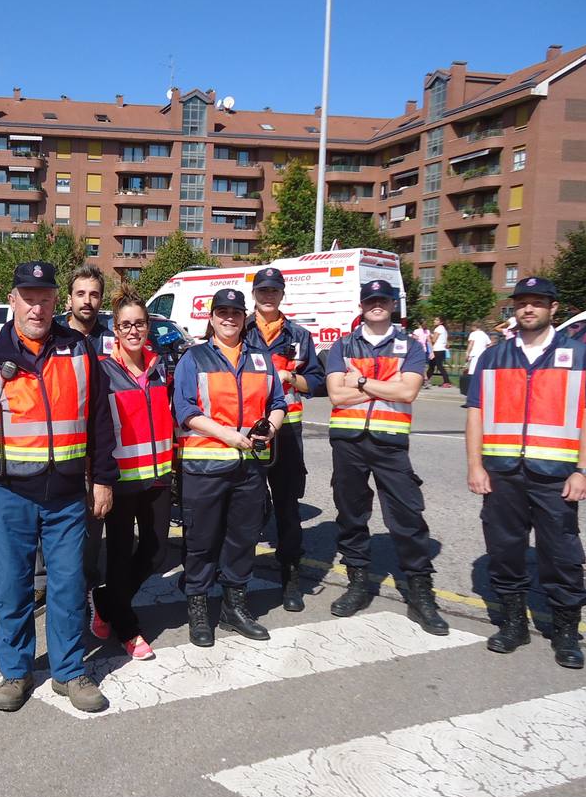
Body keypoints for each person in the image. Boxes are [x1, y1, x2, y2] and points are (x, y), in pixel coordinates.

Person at [0, 261, 117, 714]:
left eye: (44, 298)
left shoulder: (79, 349)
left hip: (66, 496)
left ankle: (69, 671)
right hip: (9, 495)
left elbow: (100, 419)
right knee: (12, 588)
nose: (36, 307)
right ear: (12, 300)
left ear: (54, 301)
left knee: (67, 585)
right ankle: (16, 671)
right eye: (28, 297)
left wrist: (102, 478)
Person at [466, 276, 586, 668]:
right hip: (502, 472)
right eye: (522, 302)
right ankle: (513, 624)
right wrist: (475, 465)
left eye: (537, 302)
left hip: (556, 474)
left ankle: (565, 632)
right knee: (505, 551)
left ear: (553, 308)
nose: (528, 309)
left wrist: (585, 470)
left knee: (561, 554)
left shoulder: (578, 355)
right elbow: (475, 413)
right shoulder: (494, 356)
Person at [325, 281, 448, 634]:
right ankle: (358, 584)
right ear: (362, 305)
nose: (377, 305)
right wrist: (382, 388)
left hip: (390, 442)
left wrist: (361, 383)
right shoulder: (344, 344)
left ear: (392, 305)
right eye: (370, 300)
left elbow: (408, 392)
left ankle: (421, 593)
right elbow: (335, 396)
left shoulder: (410, 346)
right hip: (348, 441)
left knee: (407, 516)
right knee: (351, 513)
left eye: (383, 300)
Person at [175, 288, 286, 647]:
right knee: (202, 542)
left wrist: (271, 425)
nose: (229, 318)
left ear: (244, 317)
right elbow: (186, 411)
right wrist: (229, 436)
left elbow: (278, 402)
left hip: (249, 467)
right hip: (206, 465)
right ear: (210, 318)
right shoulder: (194, 358)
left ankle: (234, 608)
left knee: (242, 540)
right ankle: (199, 610)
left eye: (235, 313)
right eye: (221, 312)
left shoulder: (260, 358)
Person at [88, 290, 173, 660]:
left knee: (155, 553)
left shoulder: (161, 367)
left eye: (139, 322)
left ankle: (106, 600)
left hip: (158, 478)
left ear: (148, 325)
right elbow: (96, 426)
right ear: (116, 330)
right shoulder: (105, 371)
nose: (133, 330)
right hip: (121, 481)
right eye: (126, 325)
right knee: (120, 557)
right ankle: (128, 630)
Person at [244, 267, 324, 612]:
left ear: (282, 294)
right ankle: (237, 579)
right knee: (243, 508)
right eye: (262, 290)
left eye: (274, 290)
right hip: (247, 432)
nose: (268, 295)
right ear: (255, 294)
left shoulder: (299, 335)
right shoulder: (239, 328)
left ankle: (290, 576)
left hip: (287, 433)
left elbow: (318, 382)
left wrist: (291, 377)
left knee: (288, 508)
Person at [50, 263, 116, 601]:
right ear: (68, 298)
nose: (87, 301)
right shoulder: (54, 336)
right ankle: (42, 582)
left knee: (93, 519)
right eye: (80, 293)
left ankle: (87, 582)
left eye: (94, 294)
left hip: (100, 442)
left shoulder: (112, 339)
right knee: (50, 515)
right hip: (59, 442)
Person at [426, 316, 452, 388]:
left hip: (437, 350)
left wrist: (428, 338)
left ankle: (447, 382)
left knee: (438, 366)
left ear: (441, 322)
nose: (434, 321)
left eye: (436, 320)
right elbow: (446, 342)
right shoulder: (444, 329)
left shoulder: (438, 329)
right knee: (432, 366)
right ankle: (426, 380)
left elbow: (434, 340)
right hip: (441, 350)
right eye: (435, 319)